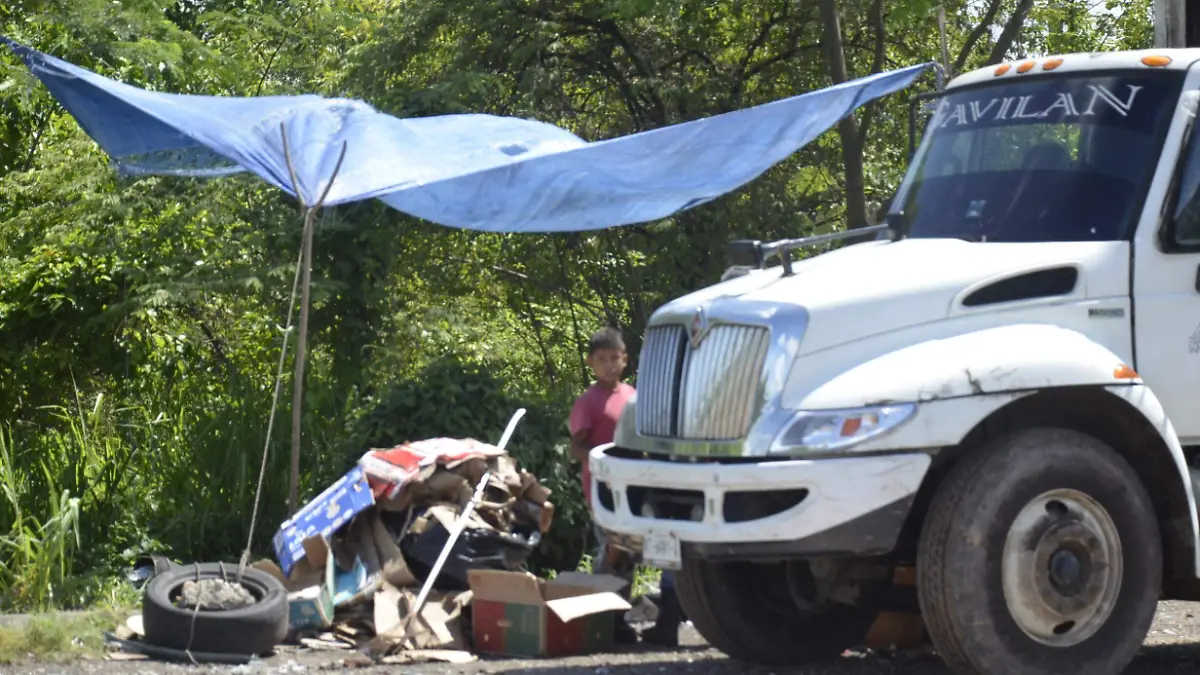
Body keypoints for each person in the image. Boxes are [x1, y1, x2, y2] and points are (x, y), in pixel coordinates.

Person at [569, 327, 682, 647]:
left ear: (625, 360)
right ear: (591, 362)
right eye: (601, 359)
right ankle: (609, 624)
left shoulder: (634, 397)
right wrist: (604, 466)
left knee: (650, 550)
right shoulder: (588, 402)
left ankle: (661, 625)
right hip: (604, 491)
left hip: (639, 488)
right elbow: (576, 448)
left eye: (614, 358)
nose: (609, 365)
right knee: (613, 553)